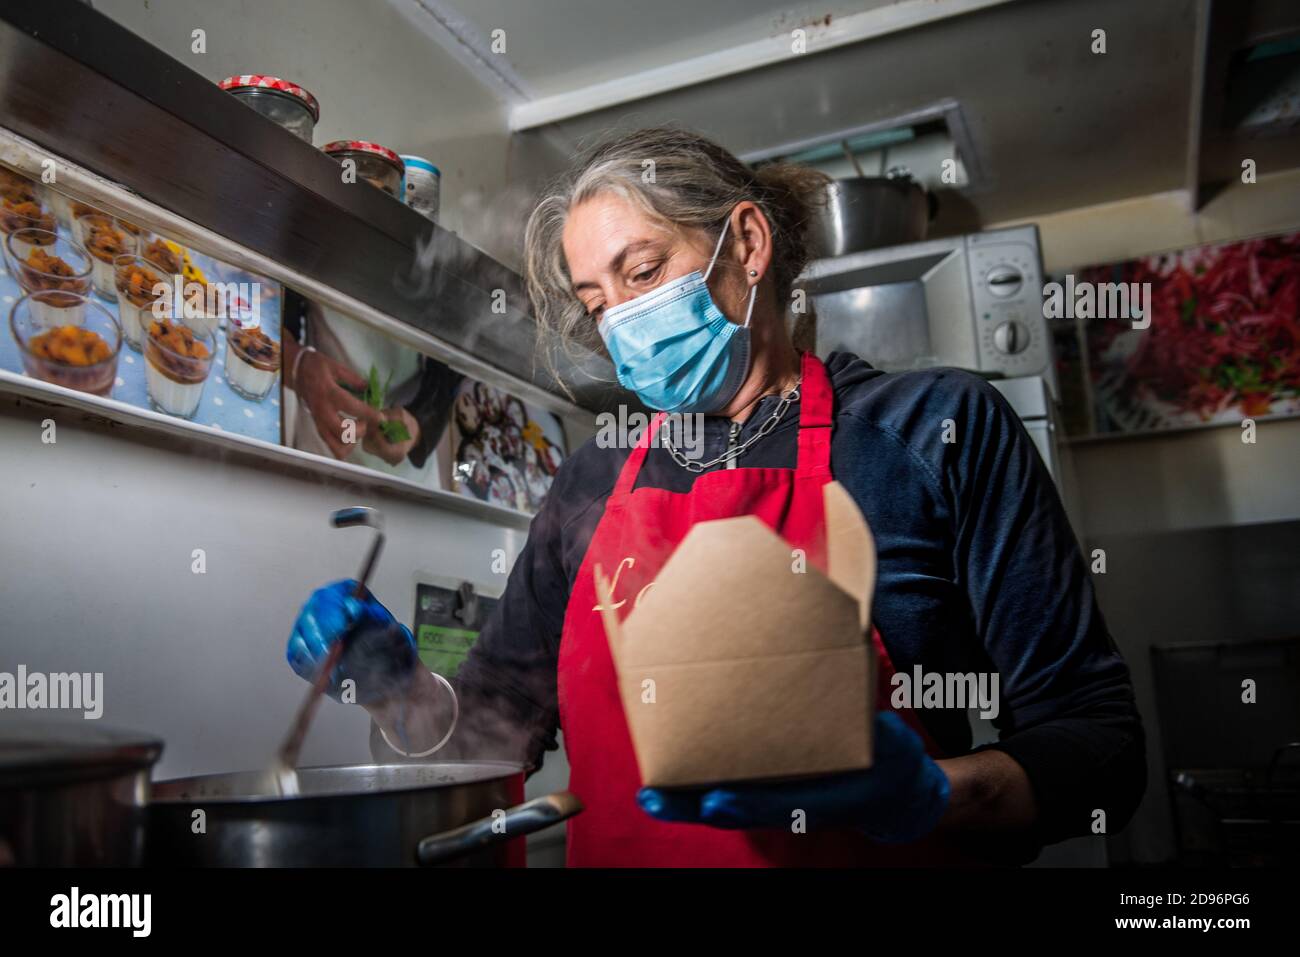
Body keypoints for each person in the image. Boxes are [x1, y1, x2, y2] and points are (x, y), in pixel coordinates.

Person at [287, 127, 1146, 867]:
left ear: (746, 243)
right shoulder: (593, 479)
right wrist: (394, 691)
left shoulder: (934, 434)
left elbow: (1102, 748)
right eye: (598, 302)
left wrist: (922, 797)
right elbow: (485, 736)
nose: (620, 322)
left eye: (644, 271)